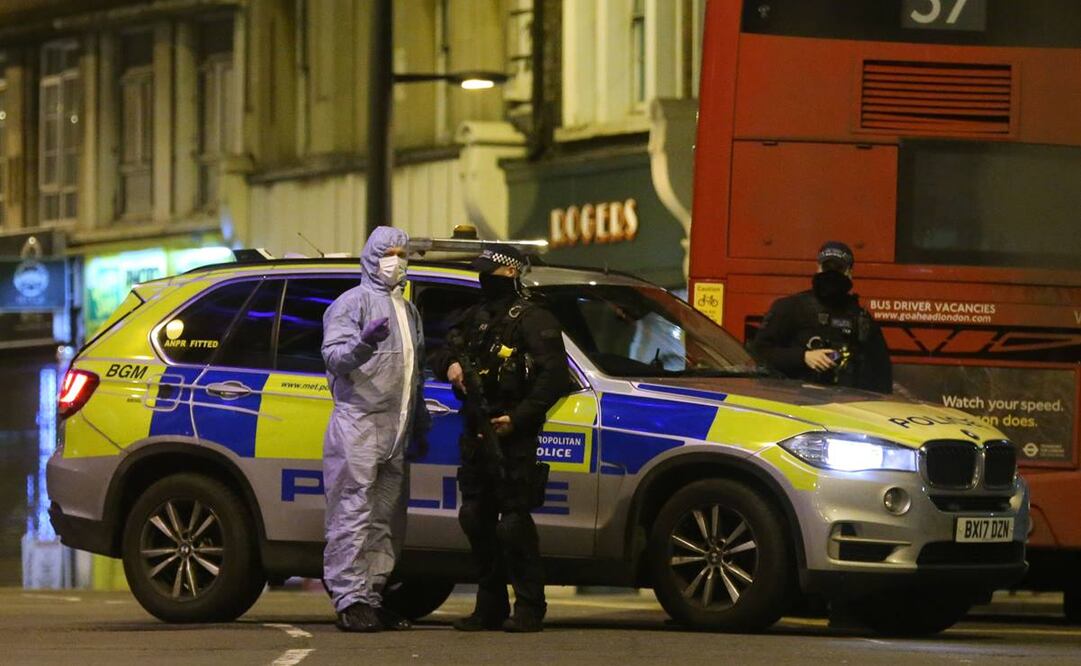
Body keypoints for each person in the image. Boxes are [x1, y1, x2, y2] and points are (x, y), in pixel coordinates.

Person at [437, 244, 569, 633]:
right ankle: (489, 605)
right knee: (475, 517)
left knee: (513, 523)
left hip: (514, 434)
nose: (483, 280)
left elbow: (554, 376)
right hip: (477, 429)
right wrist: (451, 366)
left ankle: (529, 605)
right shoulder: (475, 316)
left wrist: (519, 418)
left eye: (488, 273)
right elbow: (442, 349)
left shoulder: (533, 318)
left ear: (510, 273)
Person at [321, 226, 430, 633]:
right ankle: (349, 599)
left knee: (385, 519)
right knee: (352, 513)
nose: (396, 261)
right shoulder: (351, 303)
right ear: (371, 257)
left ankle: (371, 595)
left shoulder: (408, 310)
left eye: (402, 254)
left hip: (395, 431)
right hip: (359, 425)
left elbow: (414, 372)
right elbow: (334, 357)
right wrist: (363, 344)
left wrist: (419, 421)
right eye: (389, 253)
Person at [751, 240, 892, 393]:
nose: (832, 273)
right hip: (797, 399)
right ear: (818, 268)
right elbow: (760, 352)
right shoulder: (791, 307)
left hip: (846, 400)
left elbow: (881, 372)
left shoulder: (860, 318)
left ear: (849, 273)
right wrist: (804, 357)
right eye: (827, 267)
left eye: (838, 268)